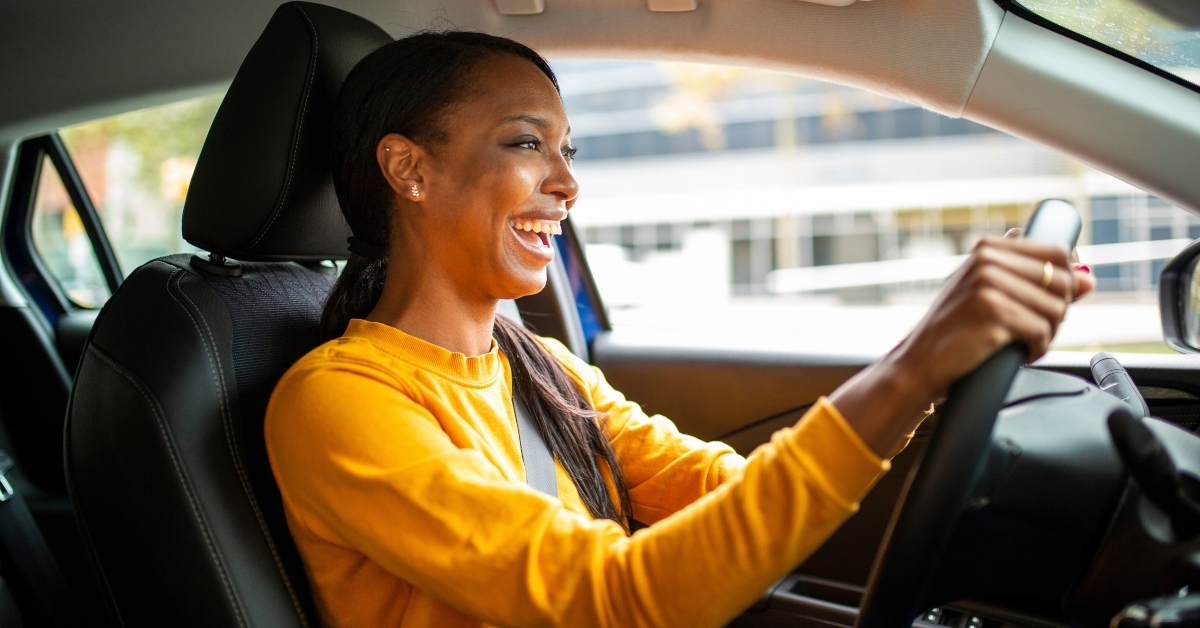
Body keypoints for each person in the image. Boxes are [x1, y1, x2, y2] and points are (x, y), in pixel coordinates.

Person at [264, 31, 1095, 628]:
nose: (567, 184)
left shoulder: (541, 366)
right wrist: (914, 366)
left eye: (569, 150)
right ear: (410, 169)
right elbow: (618, 601)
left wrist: (936, 368)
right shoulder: (339, 403)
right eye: (527, 143)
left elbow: (731, 497)